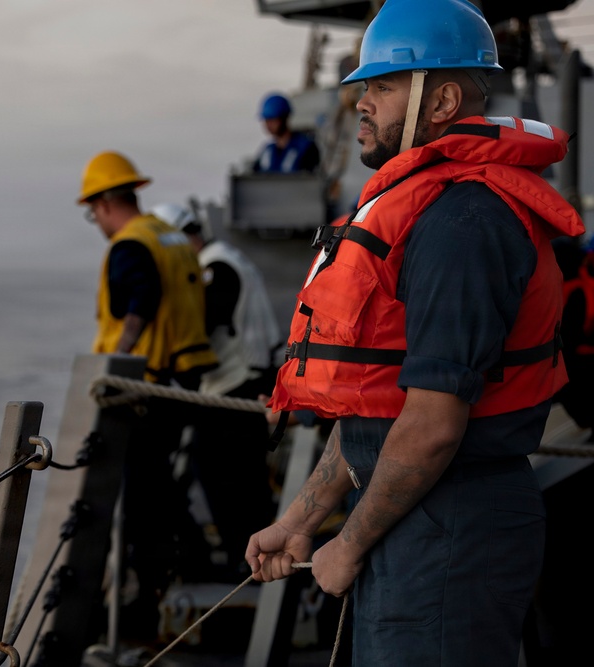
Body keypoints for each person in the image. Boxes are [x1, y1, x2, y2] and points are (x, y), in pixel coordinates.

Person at [244, 1, 585, 666]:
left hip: (451, 530)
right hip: (412, 518)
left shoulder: (464, 226)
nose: (361, 103)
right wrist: (302, 519)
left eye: (382, 86)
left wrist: (349, 543)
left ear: (443, 100)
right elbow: (380, 405)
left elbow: (430, 425)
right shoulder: (433, 210)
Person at [77, 151, 219, 637]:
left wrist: (119, 360)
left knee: (140, 498)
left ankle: (146, 602)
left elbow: (142, 299)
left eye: (93, 212)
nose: (97, 221)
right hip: (184, 379)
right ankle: (191, 563)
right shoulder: (170, 236)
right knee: (158, 485)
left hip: (147, 386)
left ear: (103, 204)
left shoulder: (131, 245)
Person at [151, 201, 282, 579]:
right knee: (235, 475)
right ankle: (249, 559)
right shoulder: (223, 258)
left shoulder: (215, 268)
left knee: (229, 476)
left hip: (238, 386)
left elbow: (202, 325)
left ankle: (248, 564)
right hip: (239, 384)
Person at [553, 236, 594, 439]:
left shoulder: (575, 290)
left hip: (579, 359)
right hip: (578, 356)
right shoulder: (577, 285)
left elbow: (570, 334)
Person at [252, 92, 320, 174]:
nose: (268, 124)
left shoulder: (306, 148)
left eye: (273, 119)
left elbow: (313, 177)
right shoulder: (268, 151)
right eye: (267, 120)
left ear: (284, 118)